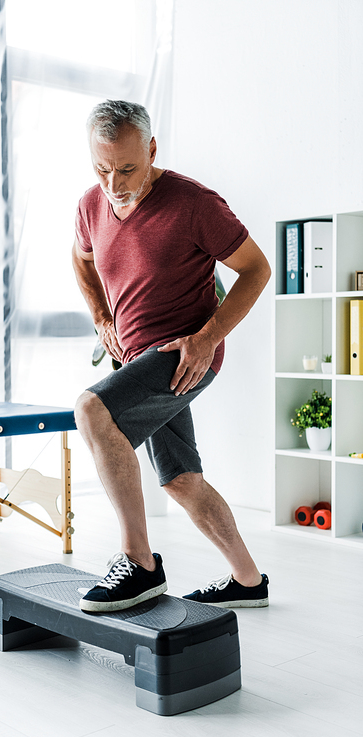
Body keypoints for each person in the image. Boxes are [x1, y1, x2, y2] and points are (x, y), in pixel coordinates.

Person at [72, 100, 271, 614]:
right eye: (102, 169)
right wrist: (100, 315)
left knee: (93, 409)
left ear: (152, 149)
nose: (114, 183)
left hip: (185, 355)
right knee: (182, 480)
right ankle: (248, 581)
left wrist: (206, 339)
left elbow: (256, 270)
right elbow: (81, 255)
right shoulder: (91, 205)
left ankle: (139, 564)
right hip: (135, 357)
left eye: (127, 169)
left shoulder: (194, 203)